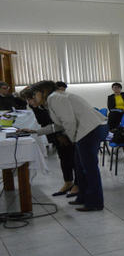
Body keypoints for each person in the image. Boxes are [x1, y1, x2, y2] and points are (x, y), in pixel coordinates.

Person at [19, 81, 108, 212]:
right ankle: (83, 197)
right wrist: (36, 131)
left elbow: (69, 121)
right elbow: (59, 124)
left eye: (31, 97)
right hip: (88, 129)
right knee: (79, 166)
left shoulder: (55, 98)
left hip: (91, 129)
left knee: (89, 168)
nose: (30, 102)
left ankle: (95, 203)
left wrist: (72, 139)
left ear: (43, 91)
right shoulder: (52, 100)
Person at [20, 87, 77, 198]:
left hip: (70, 131)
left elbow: (65, 120)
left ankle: (78, 184)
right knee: (63, 157)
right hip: (55, 131)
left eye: (30, 99)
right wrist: (57, 135)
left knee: (74, 158)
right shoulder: (35, 106)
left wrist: (67, 136)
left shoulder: (53, 101)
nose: (29, 103)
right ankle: (68, 182)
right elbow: (44, 122)